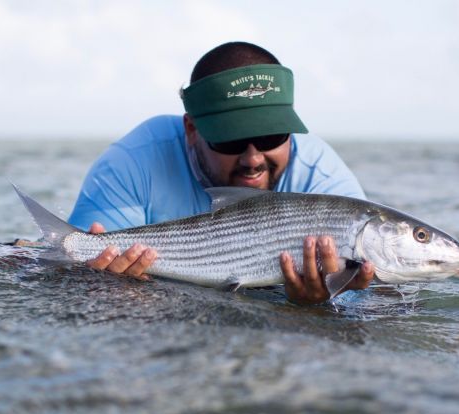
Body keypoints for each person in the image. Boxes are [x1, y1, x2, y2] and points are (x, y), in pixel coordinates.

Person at [68, 41, 375, 305]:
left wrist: (328, 299)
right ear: (191, 129)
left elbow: (365, 293)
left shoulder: (324, 179)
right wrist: (107, 283)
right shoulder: (134, 160)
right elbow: (71, 274)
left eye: (272, 137)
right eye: (232, 139)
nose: (253, 158)